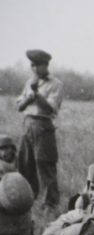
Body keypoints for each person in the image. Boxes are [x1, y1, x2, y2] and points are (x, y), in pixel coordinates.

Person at [15, 49, 64, 209]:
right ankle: (28, 199)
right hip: (27, 124)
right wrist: (29, 96)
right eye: (32, 65)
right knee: (25, 162)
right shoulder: (29, 82)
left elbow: (51, 108)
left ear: (46, 65)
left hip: (43, 126)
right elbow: (19, 106)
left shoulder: (56, 84)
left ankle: (51, 203)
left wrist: (37, 94)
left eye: (38, 65)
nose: (34, 68)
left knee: (45, 164)